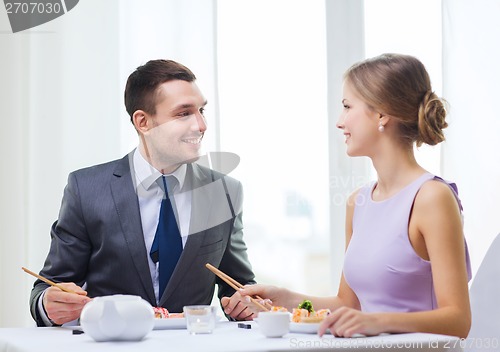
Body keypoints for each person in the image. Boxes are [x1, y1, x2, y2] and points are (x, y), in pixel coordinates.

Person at [236, 53, 472, 338]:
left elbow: (458, 321)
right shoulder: (357, 202)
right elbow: (346, 305)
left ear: (382, 114)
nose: (339, 121)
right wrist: (284, 298)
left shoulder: (432, 198)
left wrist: (379, 321)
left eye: (347, 106)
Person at [29, 59, 256, 326]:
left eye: (201, 110)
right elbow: (47, 289)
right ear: (143, 122)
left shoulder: (225, 193)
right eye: (184, 113)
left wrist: (244, 303)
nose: (201, 125)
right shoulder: (86, 188)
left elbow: (238, 288)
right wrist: (48, 305)